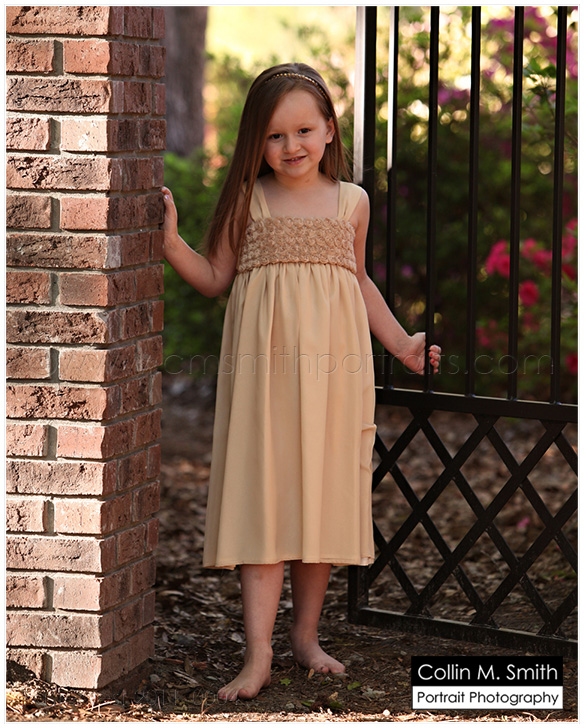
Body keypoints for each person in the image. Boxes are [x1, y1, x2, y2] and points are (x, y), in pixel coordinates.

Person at [161, 62, 441, 702]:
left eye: (304, 131)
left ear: (329, 130)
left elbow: (358, 280)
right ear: (255, 142)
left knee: (320, 500)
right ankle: (257, 654)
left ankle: (306, 638)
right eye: (274, 135)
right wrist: (172, 244)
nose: (291, 146)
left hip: (334, 376)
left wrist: (402, 344)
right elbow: (216, 278)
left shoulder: (352, 202)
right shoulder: (248, 200)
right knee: (265, 500)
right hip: (263, 381)